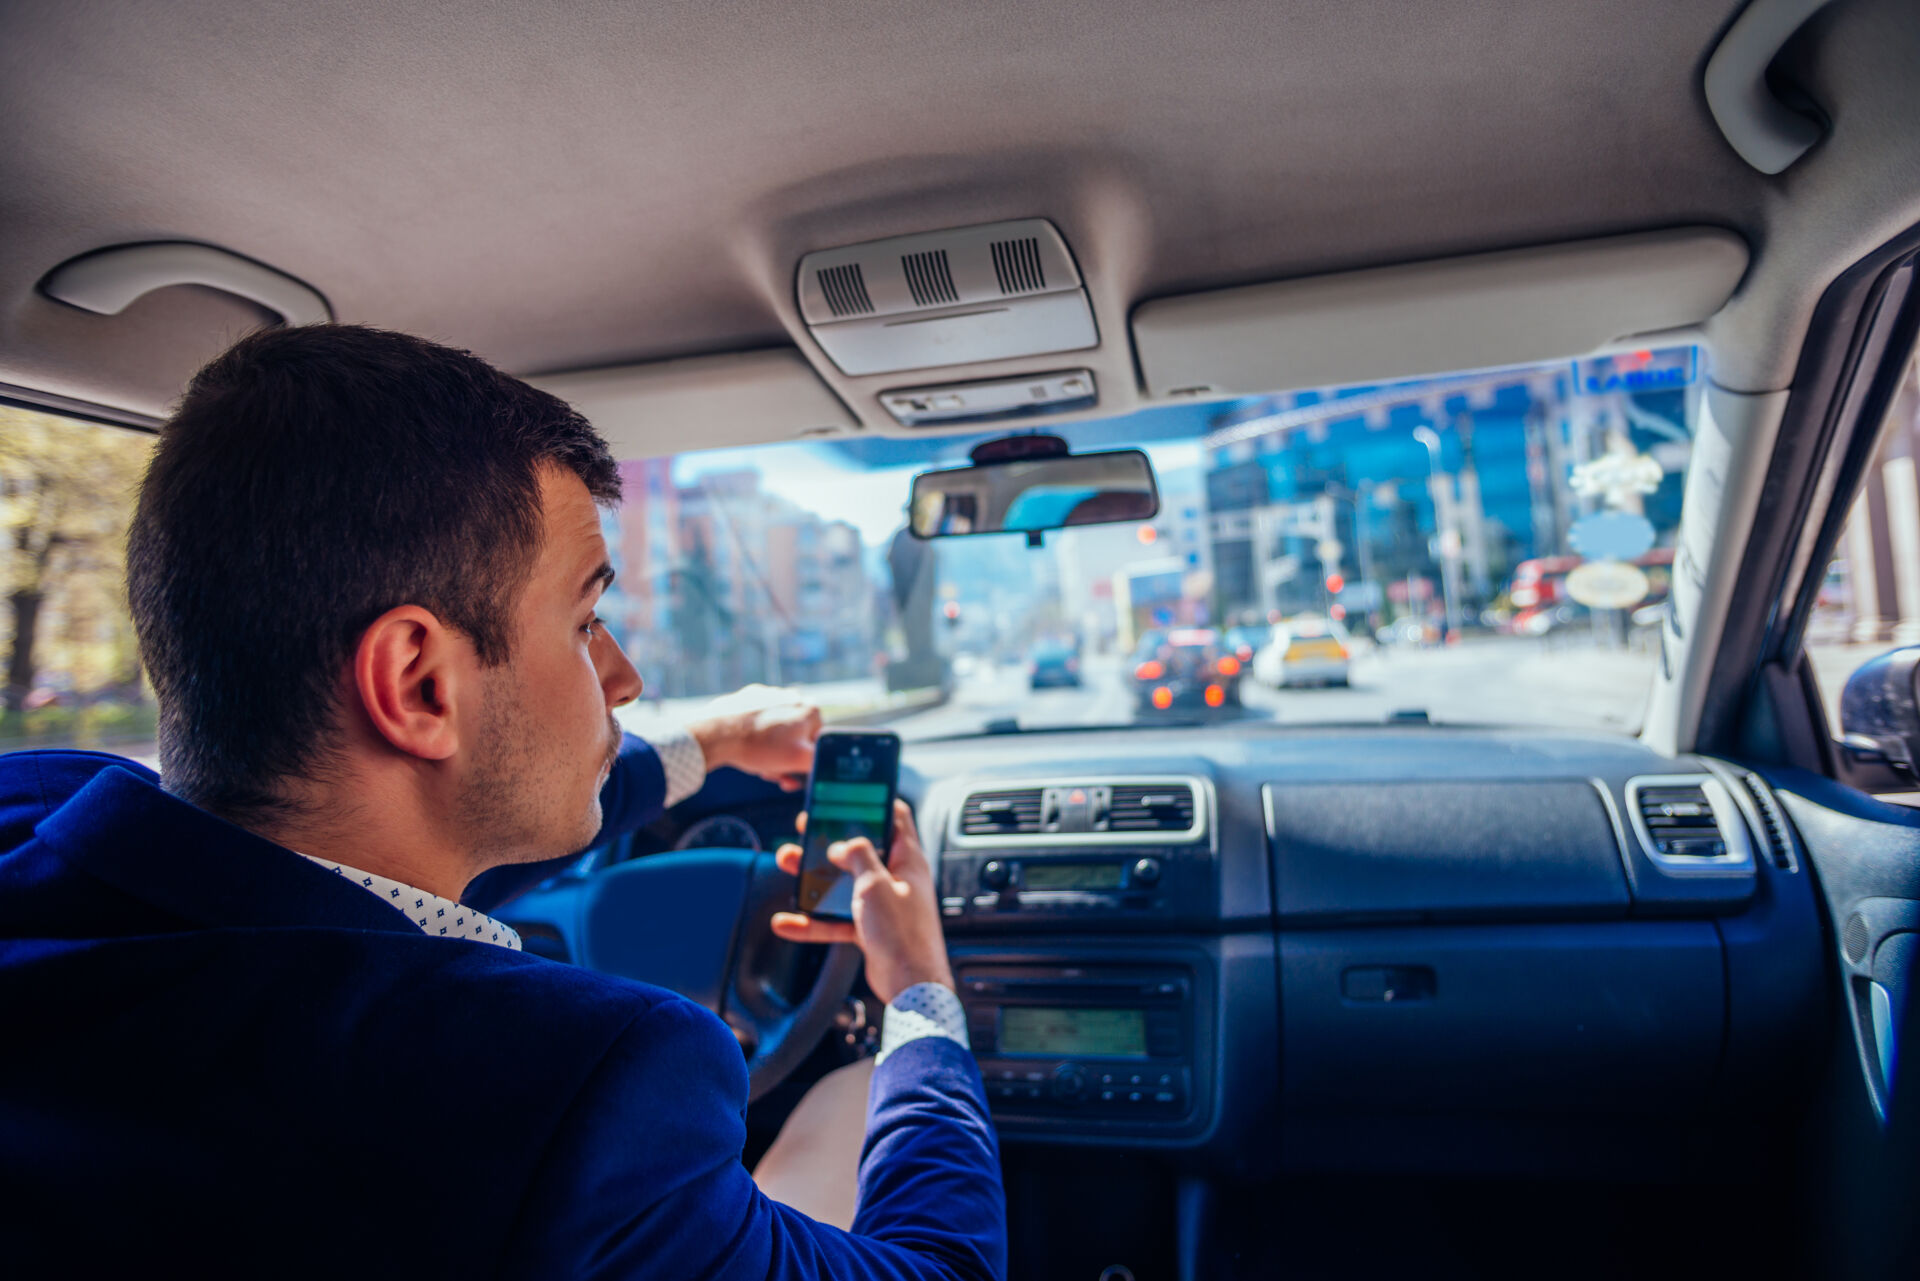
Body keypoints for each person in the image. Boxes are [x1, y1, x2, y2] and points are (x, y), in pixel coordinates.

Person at [0, 325, 1005, 1277]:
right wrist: (920, 989)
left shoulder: (37, 818)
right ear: (418, 684)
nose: (625, 679)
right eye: (587, 620)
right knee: (850, 1096)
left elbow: (369, 864)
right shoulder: (571, 1092)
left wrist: (711, 746)